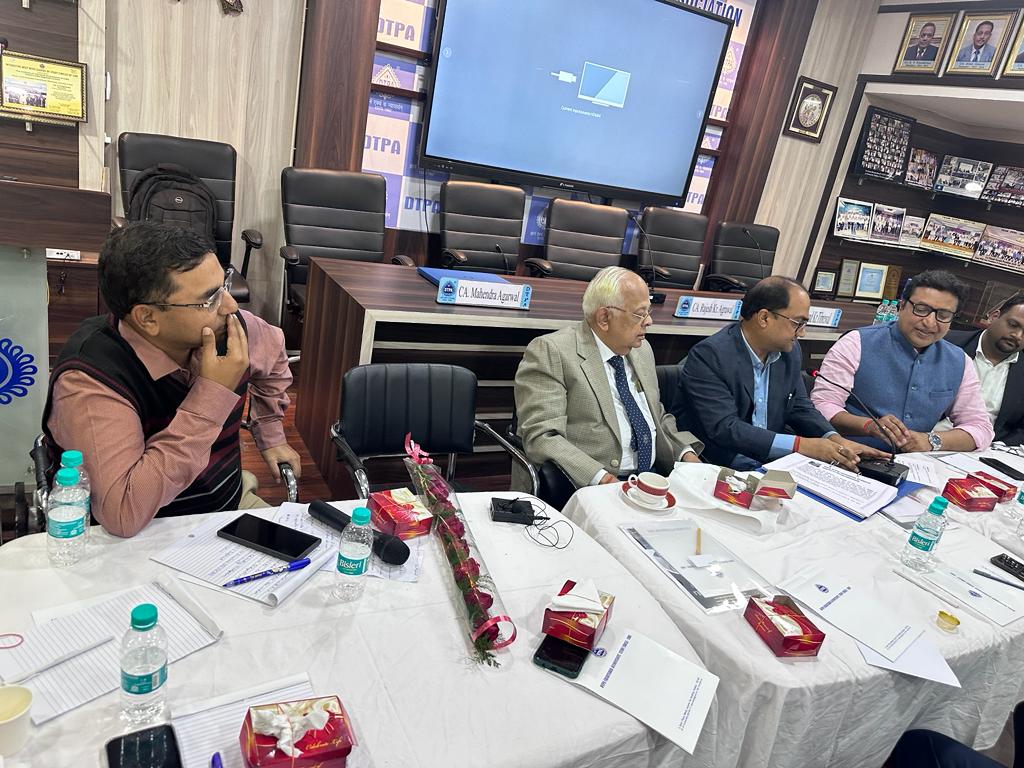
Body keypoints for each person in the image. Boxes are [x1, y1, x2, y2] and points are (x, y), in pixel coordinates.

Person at [42, 222, 302, 537]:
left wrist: (272, 435)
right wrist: (213, 395)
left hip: (227, 506)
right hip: (142, 538)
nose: (231, 305)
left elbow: (274, 356)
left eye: (224, 285)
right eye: (209, 299)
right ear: (148, 318)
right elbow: (123, 513)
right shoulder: (92, 380)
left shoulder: (231, 328)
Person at [514, 266, 702, 489]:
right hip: (590, 486)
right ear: (604, 317)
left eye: (648, 312)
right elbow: (543, 436)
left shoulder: (642, 350)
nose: (649, 321)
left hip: (652, 480)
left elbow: (655, 415)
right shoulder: (552, 352)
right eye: (640, 314)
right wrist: (605, 480)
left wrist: (686, 455)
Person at [672, 277, 884, 470]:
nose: (803, 333)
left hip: (773, 462)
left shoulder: (789, 352)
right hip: (720, 463)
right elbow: (725, 428)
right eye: (797, 323)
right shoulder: (710, 355)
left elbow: (800, 407)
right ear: (764, 318)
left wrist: (835, 440)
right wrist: (801, 445)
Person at [811, 269, 994, 454]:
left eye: (943, 315)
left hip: (913, 463)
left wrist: (931, 441)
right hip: (848, 454)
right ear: (902, 306)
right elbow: (822, 405)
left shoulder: (960, 361)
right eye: (921, 310)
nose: (930, 322)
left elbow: (980, 428)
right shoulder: (856, 343)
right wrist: (868, 426)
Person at [943, 295, 1024, 446]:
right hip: (926, 440)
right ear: (994, 316)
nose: (1018, 336)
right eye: (1013, 325)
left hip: (986, 450)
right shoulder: (947, 345)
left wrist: (998, 449)